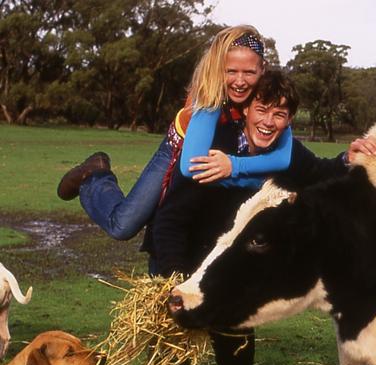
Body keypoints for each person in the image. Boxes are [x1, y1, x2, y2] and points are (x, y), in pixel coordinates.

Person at [147, 70, 376, 365]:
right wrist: (172, 278)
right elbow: (170, 217)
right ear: (246, 110)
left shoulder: (286, 157)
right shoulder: (209, 152)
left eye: (282, 114)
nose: (270, 121)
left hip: (229, 275)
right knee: (171, 361)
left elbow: (322, 173)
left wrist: (349, 157)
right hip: (180, 263)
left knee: (237, 355)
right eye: (262, 110)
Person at [55, 24, 293, 241]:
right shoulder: (209, 95)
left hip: (218, 158)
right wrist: (247, 174)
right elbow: (191, 166)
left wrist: (235, 168)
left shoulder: (269, 96)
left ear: (262, 69)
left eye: (249, 72)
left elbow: (283, 157)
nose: (240, 81)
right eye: (231, 71)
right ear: (218, 68)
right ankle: (95, 176)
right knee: (124, 226)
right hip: (179, 151)